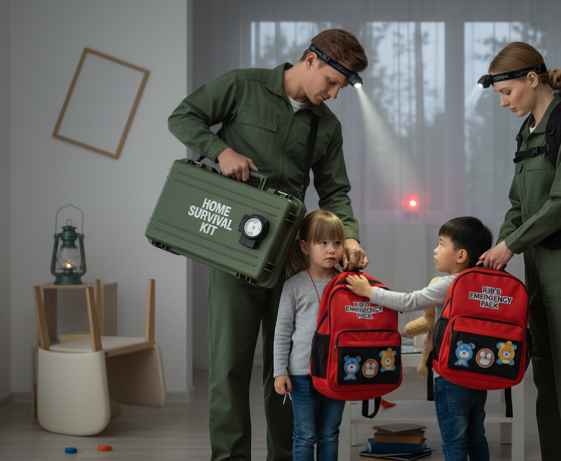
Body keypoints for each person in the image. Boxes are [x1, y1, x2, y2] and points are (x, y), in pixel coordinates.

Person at [167, 29, 369, 461]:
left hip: (291, 258)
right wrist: (220, 150)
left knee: (290, 369)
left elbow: (335, 193)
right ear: (311, 59)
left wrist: (349, 235)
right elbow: (183, 117)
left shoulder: (327, 127)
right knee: (228, 370)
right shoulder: (242, 85)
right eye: (333, 82)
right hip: (232, 250)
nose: (334, 94)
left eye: (342, 88)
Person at [477, 42, 561, 461]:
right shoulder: (529, 132)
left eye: (507, 92)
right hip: (537, 265)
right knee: (548, 377)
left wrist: (511, 245)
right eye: (499, 95)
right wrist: (501, 251)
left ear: (532, 79)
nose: (503, 103)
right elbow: (518, 205)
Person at [346, 217, 493, 461]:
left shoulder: (450, 283)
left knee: (454, 442)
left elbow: (410, 301)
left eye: (442, 244)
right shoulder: (484, 283)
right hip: (478, 375)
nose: (436, 250)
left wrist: (369, 292)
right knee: (477, 437)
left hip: (452, 377)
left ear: (461, 256)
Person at [273, 210, 346, 461]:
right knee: (305, 434)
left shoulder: (347, 284)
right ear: (305, 246)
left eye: (337, 243)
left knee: (329, 434)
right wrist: (279, 371)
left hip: (337, 372)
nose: (331, 249)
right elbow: (282, 332)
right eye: (322, 242)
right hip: (301, 373)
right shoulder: (293, 286)